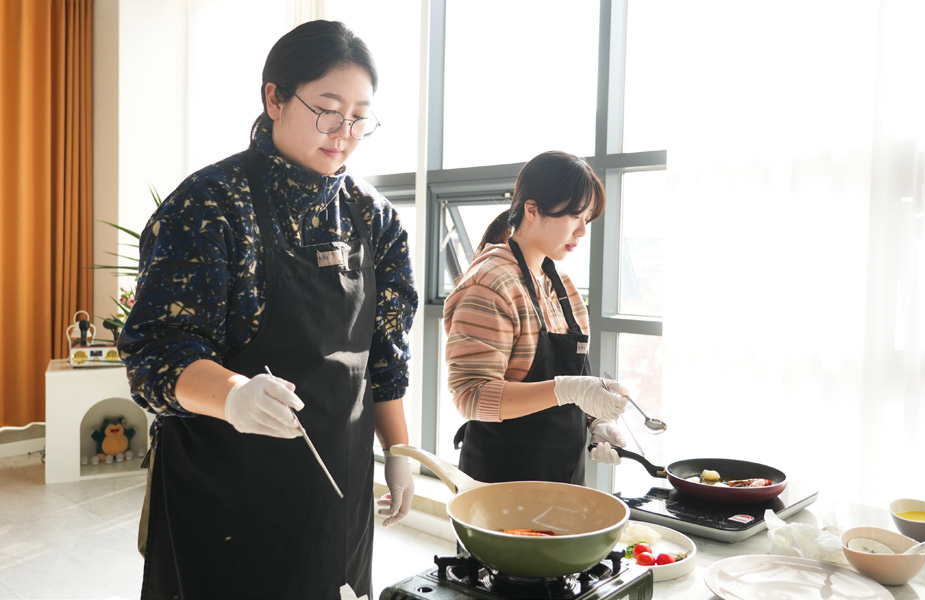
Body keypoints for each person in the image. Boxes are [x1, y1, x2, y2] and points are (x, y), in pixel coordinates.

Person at [118, 20, 416, 600]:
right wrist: (233, 396)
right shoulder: (210, 204)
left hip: (338, 483)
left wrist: (397, 452)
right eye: (328, 109)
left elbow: (386, 354)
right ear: (274, 98)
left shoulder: (375, 219)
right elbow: (156, 353)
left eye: (361, 116)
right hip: (226, 486)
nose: (345, 132)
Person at [444, 150, 631, 486]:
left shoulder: (563, 288)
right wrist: (570, 389)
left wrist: (591, 424)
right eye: (575, 216)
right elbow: (471, 396)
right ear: (532, 209)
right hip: (503, 485)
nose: (582, 232)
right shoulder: (492, 284)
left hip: (563, 480)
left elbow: (560, 390)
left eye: (587, 219)